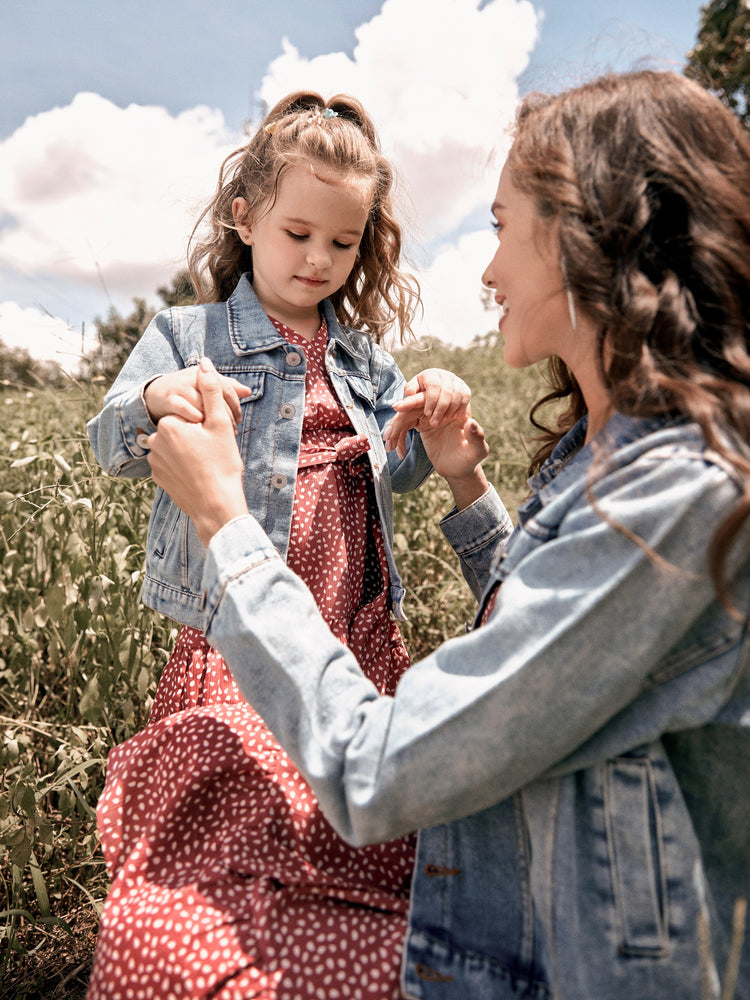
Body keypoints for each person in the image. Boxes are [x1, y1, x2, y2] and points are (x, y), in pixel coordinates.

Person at [142, 70, 750, 1000]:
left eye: (504, 229)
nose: (489, 269)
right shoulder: (613, 463)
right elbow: (553, 629)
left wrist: (224, 524)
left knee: (174, 955)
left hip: (551, 967)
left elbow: (375, 771)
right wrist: (467, 481)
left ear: (592, 237)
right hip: (510, 921)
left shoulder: (677, 498)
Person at [86, 91, 472, 1000]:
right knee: (236, 792)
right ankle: (217, 942)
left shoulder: (365, 359)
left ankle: (320, 944)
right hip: (234, 622)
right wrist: (157, 400)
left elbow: (393, 481)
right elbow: (109, 441)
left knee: (341, 803)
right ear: (245, 216)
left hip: (352, 625)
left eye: (343, 244)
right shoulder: (191, 336)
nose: (319, 260)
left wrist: (422, 424)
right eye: (299, 233)